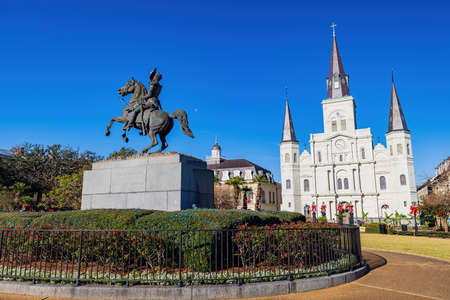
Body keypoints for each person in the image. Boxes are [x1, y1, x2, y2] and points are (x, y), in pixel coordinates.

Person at [125, 68, 163, 134]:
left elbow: (149, 95)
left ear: (156, 77)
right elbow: (150, 80)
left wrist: (142, 97)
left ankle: (130, 124)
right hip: (156, 103)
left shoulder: (153, 84)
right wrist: (151, 75)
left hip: (151, 102)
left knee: (136, 110)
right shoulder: (159, 86)